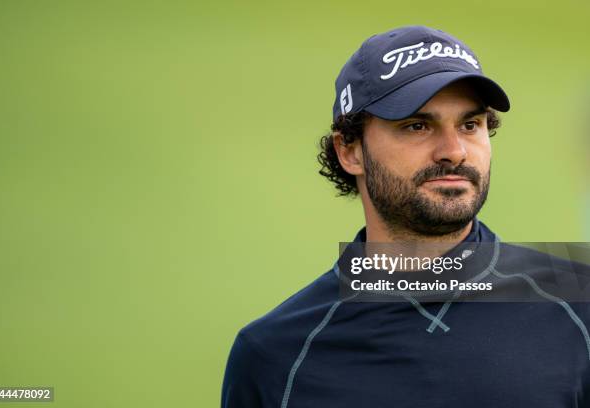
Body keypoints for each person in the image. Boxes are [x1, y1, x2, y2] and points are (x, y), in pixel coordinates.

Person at [221, 25, 590, 407]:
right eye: (417, 126)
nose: (454, 151)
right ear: (349, 150)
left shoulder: (580, 311)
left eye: (470, 125)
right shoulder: (275, 357)